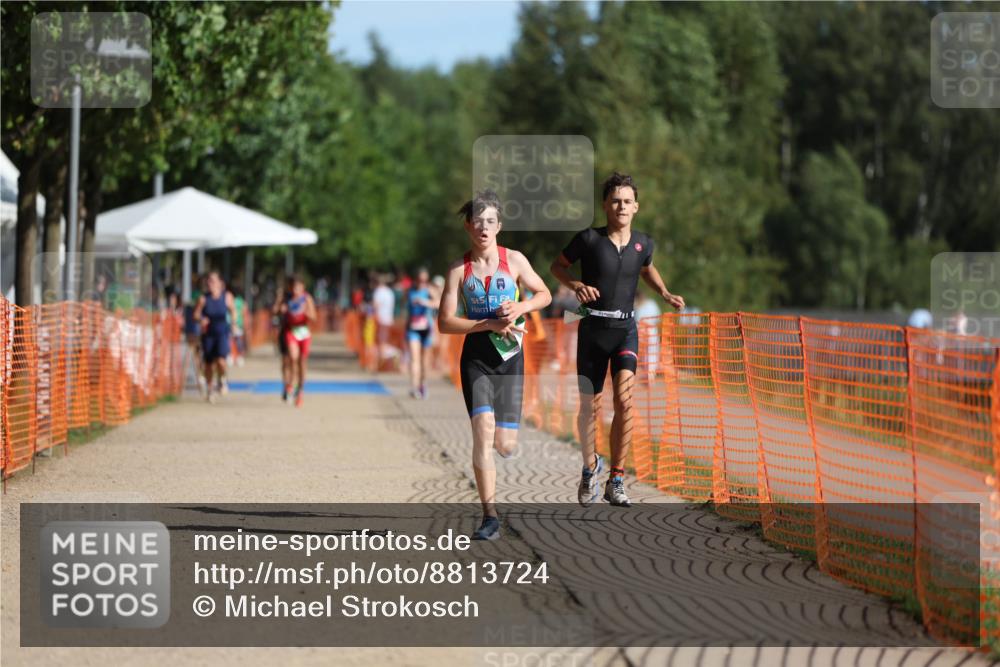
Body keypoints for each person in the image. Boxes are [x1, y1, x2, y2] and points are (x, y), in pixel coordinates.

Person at [550, 172, 685, 507]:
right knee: (590, 408)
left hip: (626, 329)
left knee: (625, 402)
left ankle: (617, 478)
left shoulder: (644, 243)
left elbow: (646, 268)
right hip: (592, 329)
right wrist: (575, 285)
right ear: (605, 206)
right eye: (615, 201)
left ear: (636, 207)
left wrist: (665, 292)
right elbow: (557, 266)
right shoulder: (589, 240)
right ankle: (589, 467)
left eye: (627, 201)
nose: (621, 206)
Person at [438, 190, 551, 540]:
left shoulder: (514, 261)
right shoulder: (459, 269)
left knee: (505, 445)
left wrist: (520, 308)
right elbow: (444, 322)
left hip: (510, 358)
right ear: (468, 227)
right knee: (482, 433)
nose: (483, 227)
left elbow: (543, 294)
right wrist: (486, 324)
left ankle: (504, 453)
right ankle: (489, 516)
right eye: (477, 221)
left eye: (490, 221)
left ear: (498, 226)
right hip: (476, 358)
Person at [193, 271, 238, 404]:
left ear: (220, 283)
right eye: (209, 281)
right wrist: (201, 319)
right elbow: (195, 315)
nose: (210, 283)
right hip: (208, 334)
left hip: (222, 332)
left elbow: (233, 311)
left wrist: (234, 323)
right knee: (208, 364)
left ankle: (222, 379)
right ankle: (210, 388)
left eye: (213, 280)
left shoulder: (227, 296)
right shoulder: (203, 298)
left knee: (221, 361)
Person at [277, 276, 317, 407]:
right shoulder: (287, 299)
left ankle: (300, 391)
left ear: (303, 288)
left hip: (304, 332)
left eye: (298, 287)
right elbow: (277, 310)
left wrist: (306, 313)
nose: (296, 290)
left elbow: (314, 317)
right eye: (294, 287)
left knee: (302, 362)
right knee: (293, 357)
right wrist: (281, 309)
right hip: (291, 332)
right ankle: (290, 384)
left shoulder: (307, 298)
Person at [406, 267, 440, 399]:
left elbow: (438, 304)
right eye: (420, 280)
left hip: (427, 328)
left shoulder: (429, 290)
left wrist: (424, 302)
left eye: (425, 280)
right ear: (416, 280)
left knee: (424, 361)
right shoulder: (410, 291)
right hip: (413, 328)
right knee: (414, 359)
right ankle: (414, 388)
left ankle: (423, 385)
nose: (422, 283)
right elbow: (408, 310)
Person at [272, 277, 295, 401]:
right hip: (284, 332)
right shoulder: (283, 299)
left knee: (293, 360)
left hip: (295, 333)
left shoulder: (298, 298)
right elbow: (274, 311)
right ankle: (286, 385)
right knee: (285, 361)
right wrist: (279, 300)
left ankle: (291, 385)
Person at [372, 273, 397, 369]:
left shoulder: (378, 291)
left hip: (381, 319)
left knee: (381, 341)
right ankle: (388, 357)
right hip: (388, 319)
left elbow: (376, 306)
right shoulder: (390, 292)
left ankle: (385, 359)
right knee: (384, 340)